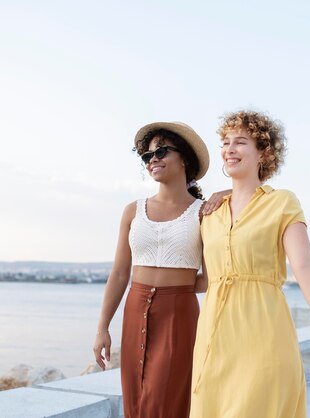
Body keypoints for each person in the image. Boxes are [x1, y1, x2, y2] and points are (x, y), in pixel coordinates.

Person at [190, 110, 310, 417]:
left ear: (264, 152)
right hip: (213, 340)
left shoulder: (282, 202)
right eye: (225, 142)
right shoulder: (209, 212)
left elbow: (304, 265)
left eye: (241, 142)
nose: (229, 149)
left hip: (263, 334)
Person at [92, 122, 221, 418]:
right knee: (135, 398)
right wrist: (102, 328)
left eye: (161, 151)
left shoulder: (204, 213)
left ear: (185, 159)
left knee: (164, 401)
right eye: (147, 156)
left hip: (179, 313)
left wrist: (179, 289)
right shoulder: (132, 211)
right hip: (134, 307)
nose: (153, 159)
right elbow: (120, 274)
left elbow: (212, 277)